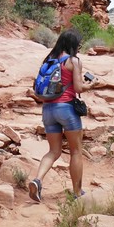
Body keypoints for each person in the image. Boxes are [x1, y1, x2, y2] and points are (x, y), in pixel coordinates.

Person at [27, 29, 93, 202]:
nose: (79, 47)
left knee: (54, 151)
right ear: (72, 44)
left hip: (48, 109)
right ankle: (78, 193)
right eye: (78, 44)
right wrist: (92, 85)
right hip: (66, 109)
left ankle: (37, 180)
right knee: (76, 151)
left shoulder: (49, 60)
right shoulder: (73, 60)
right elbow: (78, 88)